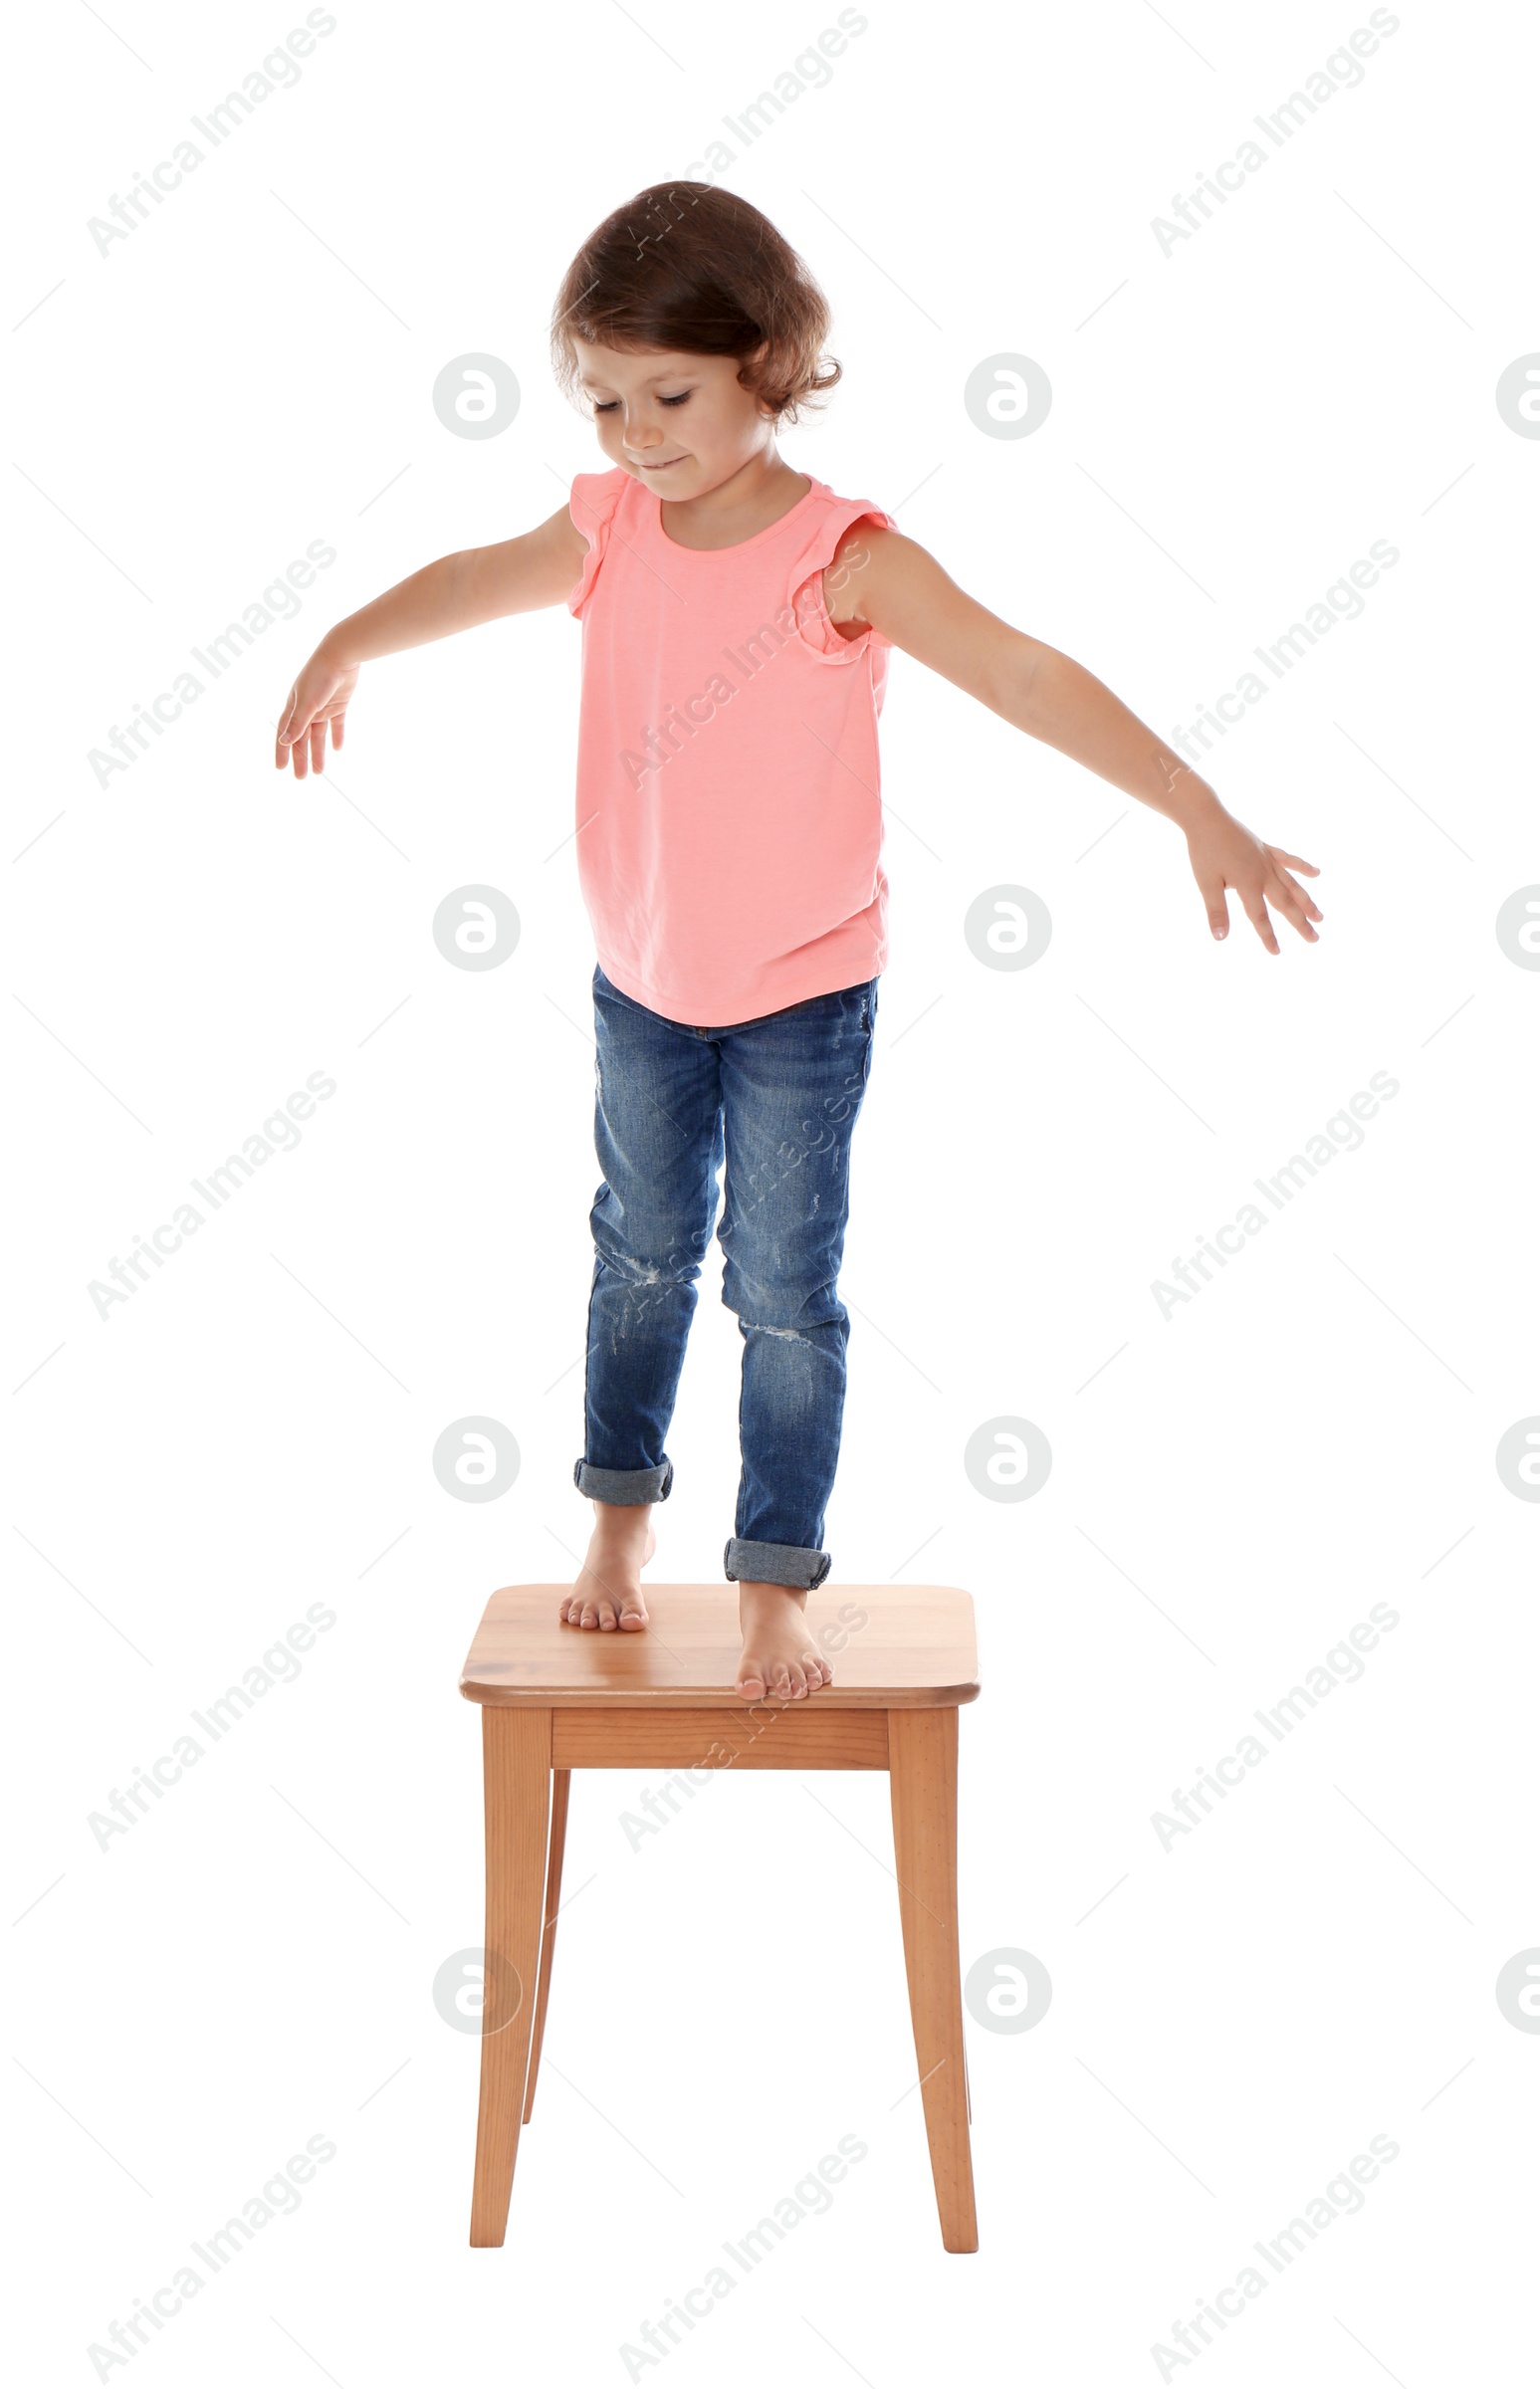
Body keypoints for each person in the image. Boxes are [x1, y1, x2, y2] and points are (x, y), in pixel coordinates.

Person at [275, 182, 1320, 1702]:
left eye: (669, 395)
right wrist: (340, 640)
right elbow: (456, 583)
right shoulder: (607, 531)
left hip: (801, 1003)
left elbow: (1024, 676)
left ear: (768, 362)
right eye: (605, 399)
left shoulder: (846, 559)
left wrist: (1192, 804)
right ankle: (619, 1526)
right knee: (636, 1258)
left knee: (779, 1286)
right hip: (640, 983)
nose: (634, 433)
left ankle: (774, 1576)